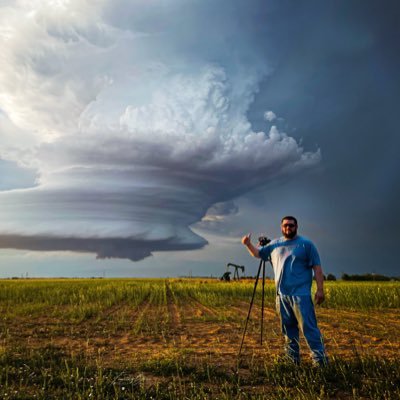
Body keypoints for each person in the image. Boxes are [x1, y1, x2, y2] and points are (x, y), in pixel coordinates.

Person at [241, 216, 328, 366]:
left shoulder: (306, 245)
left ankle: (320, 361)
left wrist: (320, 289)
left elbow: (317, 268)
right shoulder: (274, 244)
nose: (288, 228)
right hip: (281, 296)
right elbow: (258, 254)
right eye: (285, 226)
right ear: (281, 227)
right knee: (288, 330)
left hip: (301, 296)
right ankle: (292, 360)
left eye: (291, 226)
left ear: (296, 226)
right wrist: (248, 244)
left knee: (309, 329)